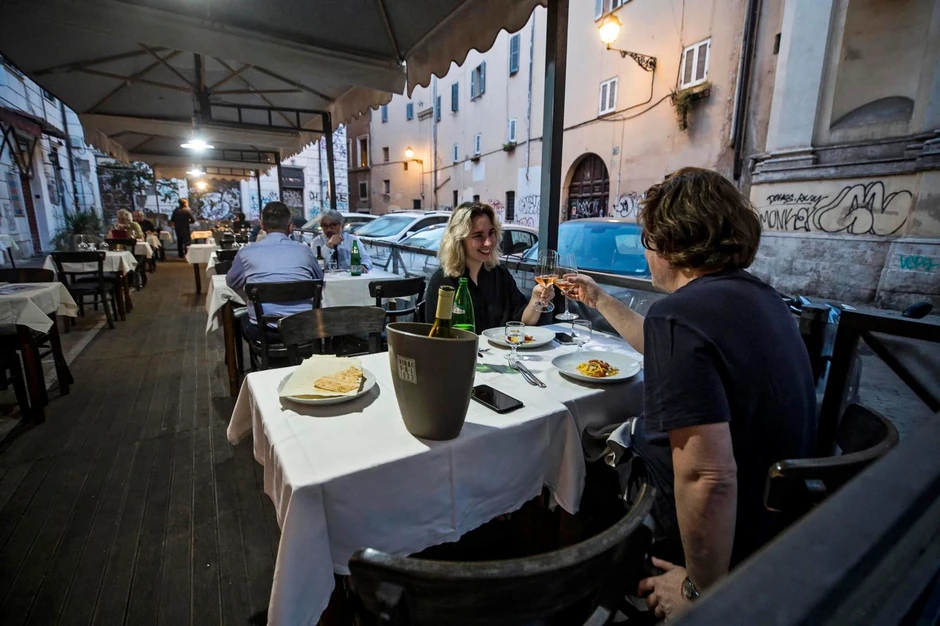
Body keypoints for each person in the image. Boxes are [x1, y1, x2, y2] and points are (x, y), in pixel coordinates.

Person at [566, 168, 816, 620]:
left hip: (727, 536)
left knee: (582, 460)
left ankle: (584, 594)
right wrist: (599, 298)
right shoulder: (760, 298)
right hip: (780, 511)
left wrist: (700, 590)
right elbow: (661, 340)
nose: (646, 253)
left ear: (668, 242)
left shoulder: (680, 317)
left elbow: (708, 479)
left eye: (646, 240)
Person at [425, 202, 553, 331]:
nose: (488, 242)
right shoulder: (442, 282)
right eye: (478, 236)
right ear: (459, 240)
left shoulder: (500, 274)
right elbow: (436, 335)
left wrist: (536, 298)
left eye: (491, 233)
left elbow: (523, 320)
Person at [226, 201, 323, 341]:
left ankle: (261, 354)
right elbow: (319, 280)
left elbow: (231, 282)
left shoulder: (246, 252)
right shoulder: (304, 250)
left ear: (262, 225)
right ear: (290, 227)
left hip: (264, 331)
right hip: (304, 327)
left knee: (241, 318)